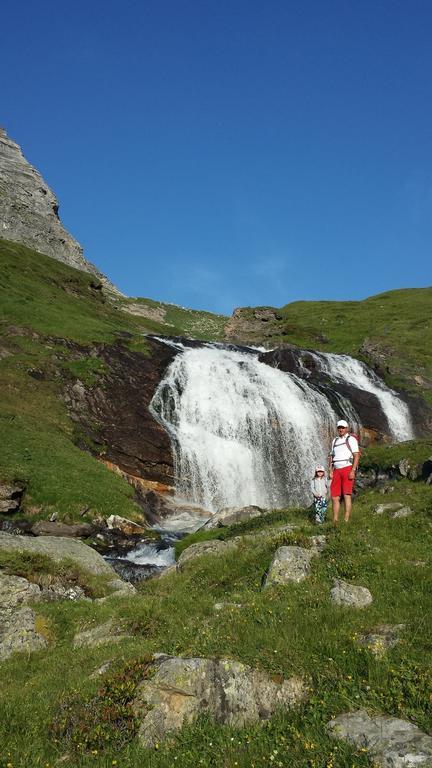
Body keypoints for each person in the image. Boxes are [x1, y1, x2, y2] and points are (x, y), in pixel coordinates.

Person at [328, 419, 360, 524]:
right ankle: (335, 520)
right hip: (336, 469)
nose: (341, 429)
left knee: (346, 494)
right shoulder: (335, 441)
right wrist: (330, 470)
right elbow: (331, 456)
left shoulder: (351, 439)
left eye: (342, 427)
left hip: (347, 467)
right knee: (334, 496)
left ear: (346, 428)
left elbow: (356, 455)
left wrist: (353, 470)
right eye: (339, 428)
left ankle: (346, 519)